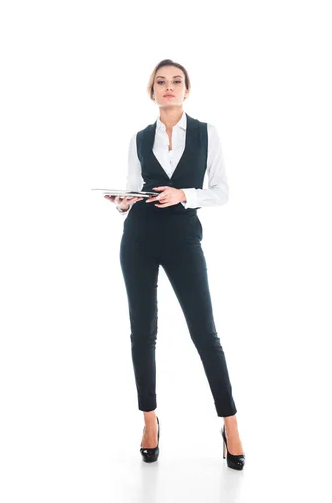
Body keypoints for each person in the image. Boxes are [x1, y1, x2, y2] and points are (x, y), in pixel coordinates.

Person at [104, 59, 245, 470]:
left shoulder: (206, 133)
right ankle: (149, 422)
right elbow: (133, 188)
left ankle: (230, 424)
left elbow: (221, 192)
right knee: (142, 333)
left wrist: (184, 195)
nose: (169, 87)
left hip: (184, 239)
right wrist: (123, 202)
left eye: (176, 81)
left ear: (186, 89)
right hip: (139, 239)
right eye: (161, 82)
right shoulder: (139, 137)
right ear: (152, 91)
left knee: (205, 333)